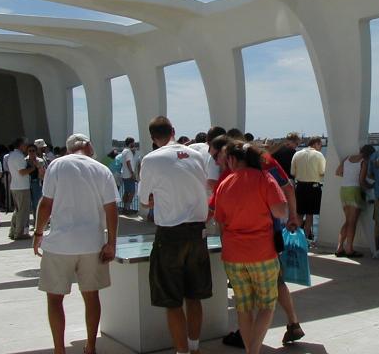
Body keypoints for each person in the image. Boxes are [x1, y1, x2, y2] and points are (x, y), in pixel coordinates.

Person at [208, 136, 305, 346]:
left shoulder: (224, 183)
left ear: (232, 160)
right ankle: (254, 351)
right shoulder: (265, 178)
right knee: (267, 305)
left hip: (233, 256)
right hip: (262, 253)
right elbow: (280, 210)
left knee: (243, 307)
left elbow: (220, 222)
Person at [33, 133, 119, 354]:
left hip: (60, 243)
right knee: (92, 296)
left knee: (54, 299)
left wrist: (38, 232)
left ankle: (59, 350)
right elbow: (111, 209)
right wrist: (111, 243)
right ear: (88, 145)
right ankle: (90, 346)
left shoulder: (57, 165)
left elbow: (46, 204)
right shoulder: (102, 170)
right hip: (92, 243)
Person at [137, 116, 211, 354]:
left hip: (170, 234)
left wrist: (157, 198)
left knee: (172, 299)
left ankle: (182, 351)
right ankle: (195, 347)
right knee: (194, 296)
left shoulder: (151, 159)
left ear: (152, 138)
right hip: (198, 232)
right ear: (173, 131)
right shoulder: (198, 156)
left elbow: (144, 201)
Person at [334, 145, 375, 257]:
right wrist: (372, 186)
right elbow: (361, 181)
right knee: (352, 222)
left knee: (347, 221)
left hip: (344, 190)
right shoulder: (363, 162)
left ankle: (339, 247)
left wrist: (348, 175)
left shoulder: (347, 158)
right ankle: (349, 249)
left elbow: (337, 172)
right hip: (354, 190)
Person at [291, 136, 326, 241]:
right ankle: (305, 239)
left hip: (300, 187)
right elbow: (323, 172)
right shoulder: (319, 155)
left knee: (299, 214)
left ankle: (295, 238)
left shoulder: (297, 154)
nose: (320, 147)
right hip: (313, 187)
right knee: (310, 215)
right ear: (316, 144)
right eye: (320, 145)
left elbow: (292, 172)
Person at [8, 137, 37, 240]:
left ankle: (13, 231)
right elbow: (22, 172)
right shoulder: (19, 156)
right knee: (23, 211)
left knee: (18, 210)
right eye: (25, 144)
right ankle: (20, 233)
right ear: (21, 145)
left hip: (15, 186)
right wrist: (33, 168)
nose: (27, 146)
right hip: (22, 187)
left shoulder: (11, 155)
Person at [26, 143, 46, 222]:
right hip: (26, 183)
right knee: (28, 204)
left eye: (33, 151)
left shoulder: (40, 160)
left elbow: (42, 173)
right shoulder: (25, 160)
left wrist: (37, 166)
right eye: (29, 151)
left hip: (36, 183)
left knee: (37, 203)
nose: (31, 152)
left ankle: (37, 220)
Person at [120, 137, 138, 213]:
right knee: (132, 192)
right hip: (129, 175)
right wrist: (132, 173)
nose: (134, 144)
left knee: (127, 191)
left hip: (124, 174)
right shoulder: (128, 152)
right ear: (131, 143)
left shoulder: (124, 151)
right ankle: (127, 208)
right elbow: (128, 162)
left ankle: (124, 207)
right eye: (133, 143)